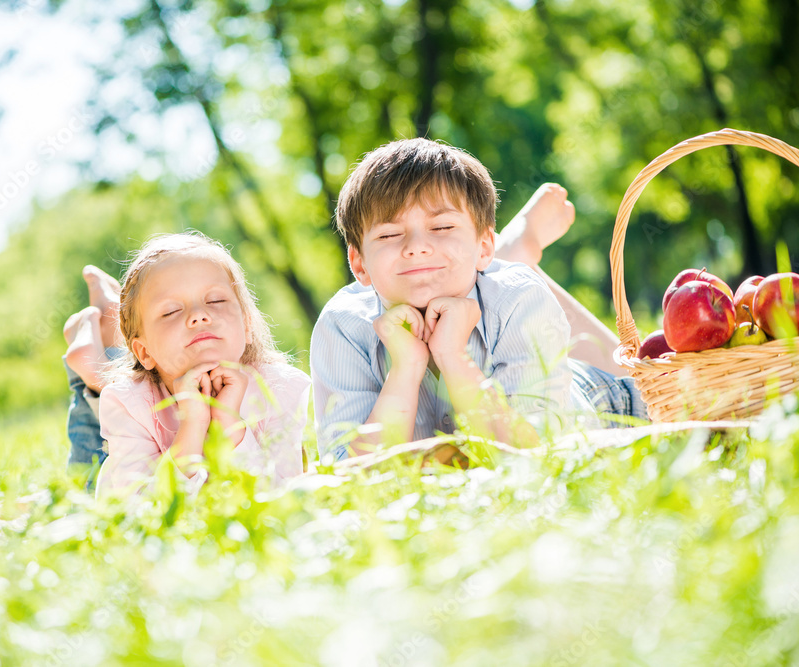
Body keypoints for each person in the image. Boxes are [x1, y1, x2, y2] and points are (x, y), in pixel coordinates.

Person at [311, 138, 647, 462]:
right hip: (503, 334)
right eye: (389, 234)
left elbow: (534, 457)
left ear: (484, 246)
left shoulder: (519, 299)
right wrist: (405, 368)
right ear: (359, 264)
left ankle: (514, 254)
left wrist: (454, 356)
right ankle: (513, 250)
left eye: (441, 227)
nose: (416, 246)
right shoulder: (343, 326)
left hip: (598, 402)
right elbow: (349, 476)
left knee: (648, 381)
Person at [62, 232, 310, 496]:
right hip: (116, 455)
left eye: (215, 300)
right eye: (171, 311)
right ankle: (92, 367)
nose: (199, 315)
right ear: (144, 352)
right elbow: (133, 510)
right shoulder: (128, 403)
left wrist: (229, 424)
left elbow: (281, 495)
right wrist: (192, 425)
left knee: (104, 382)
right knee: (83, 493)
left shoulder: (281, 388)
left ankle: (101, 354)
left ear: (247, 324)